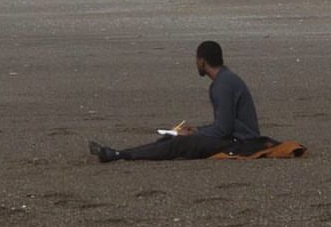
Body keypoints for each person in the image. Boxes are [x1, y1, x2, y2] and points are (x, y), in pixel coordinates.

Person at [88, 40, 268, 162]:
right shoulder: (226, 80)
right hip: (235, 138)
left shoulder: (223, 84)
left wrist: (194, 135)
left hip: (242, 143)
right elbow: (224, 125)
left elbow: (224, 129)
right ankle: (123, 153)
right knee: (171, 138)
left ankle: (121, 155)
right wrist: (197, 129)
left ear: (202, 61)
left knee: (181, 143)